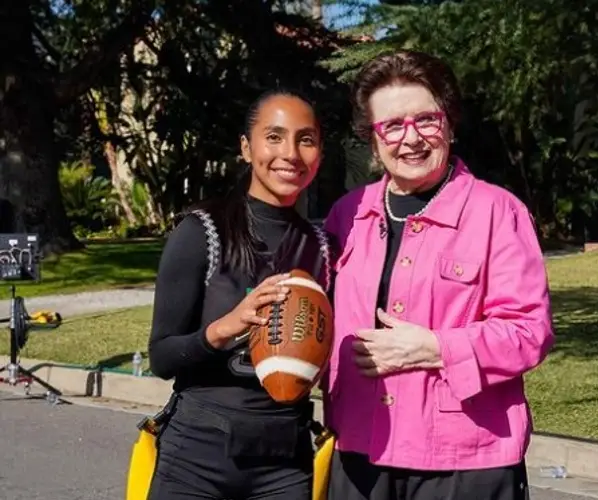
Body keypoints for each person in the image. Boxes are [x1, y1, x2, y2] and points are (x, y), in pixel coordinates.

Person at [322, 50, 555, 500]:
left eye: (425, 120)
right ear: (373, 139)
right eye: (392, 125)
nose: (411, 139)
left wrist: (435, 348)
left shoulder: (496, 212)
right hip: (358, 451)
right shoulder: (346, 215)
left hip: (464, 460)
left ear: (448, 124)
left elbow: (530, 331)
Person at [146, 88, 332, 500]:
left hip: (284, 458)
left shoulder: (322, 245)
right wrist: (223, 329)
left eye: (306, 139)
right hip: (197, 454)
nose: (290, 152)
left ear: (319, 152)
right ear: (246, 148)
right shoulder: (200, 231)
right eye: (274, 136)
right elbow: (160, 357)